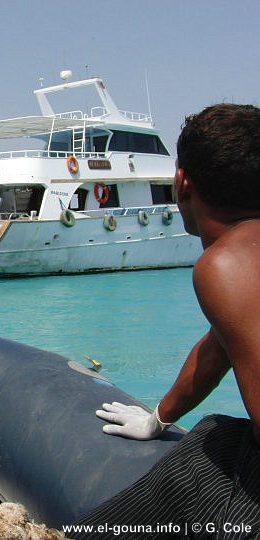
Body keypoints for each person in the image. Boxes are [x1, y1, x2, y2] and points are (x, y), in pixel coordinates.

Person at [73, 104, 260, 536]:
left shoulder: (224, 263)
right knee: (214, 432)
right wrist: (157, 418)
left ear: (182, 183)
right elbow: (218, 349)